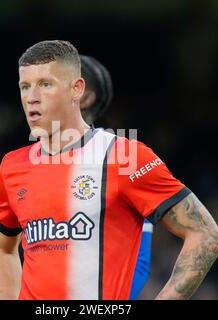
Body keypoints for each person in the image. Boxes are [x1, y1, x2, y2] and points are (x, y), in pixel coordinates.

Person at [0, 40, 218, 300]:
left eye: (45, 84)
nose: (31, 98)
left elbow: (205, 234)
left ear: (77, 89)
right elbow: (1, 247)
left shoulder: (124, 157)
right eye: (25, 87)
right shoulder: (13, 166)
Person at [79, 54, 152, 300]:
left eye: (49, 84)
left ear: (84, 97)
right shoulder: (26, 163)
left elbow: (138, 260)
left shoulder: (121, 159)